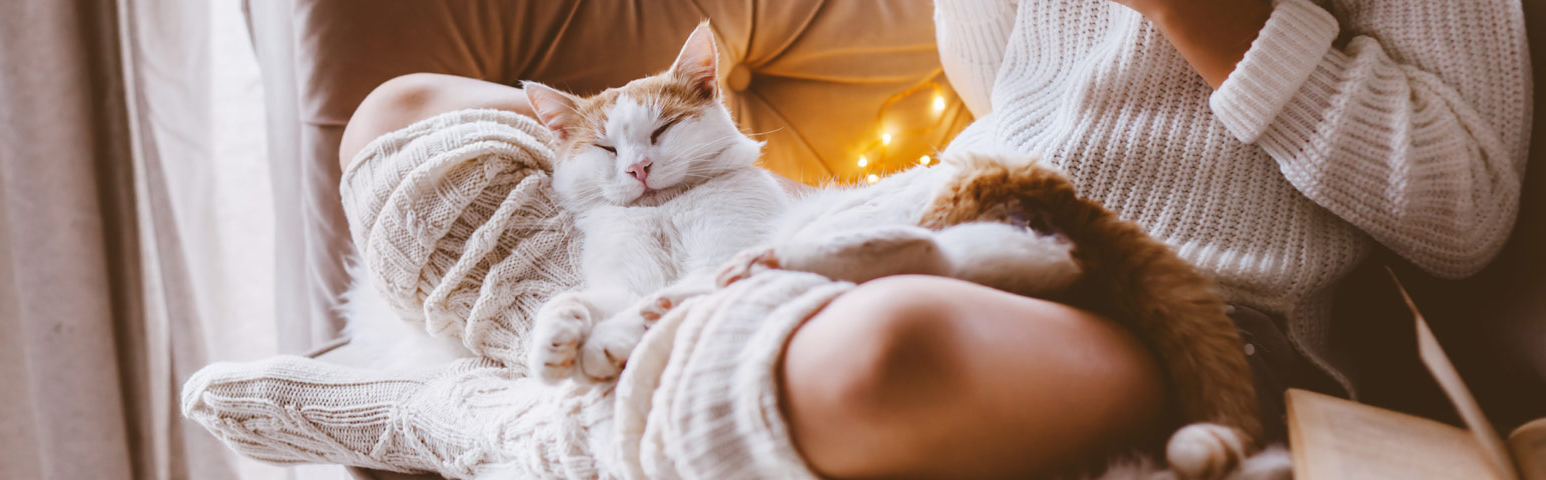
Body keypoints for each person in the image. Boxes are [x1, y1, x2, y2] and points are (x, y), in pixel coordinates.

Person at [334, 0, 1530, 478]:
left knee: (892, 357)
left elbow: (1461, 213)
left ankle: (486, 419)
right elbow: (1020, 103)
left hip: (1181, 305)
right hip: (922, 222)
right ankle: (665, 359)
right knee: (403, 119)